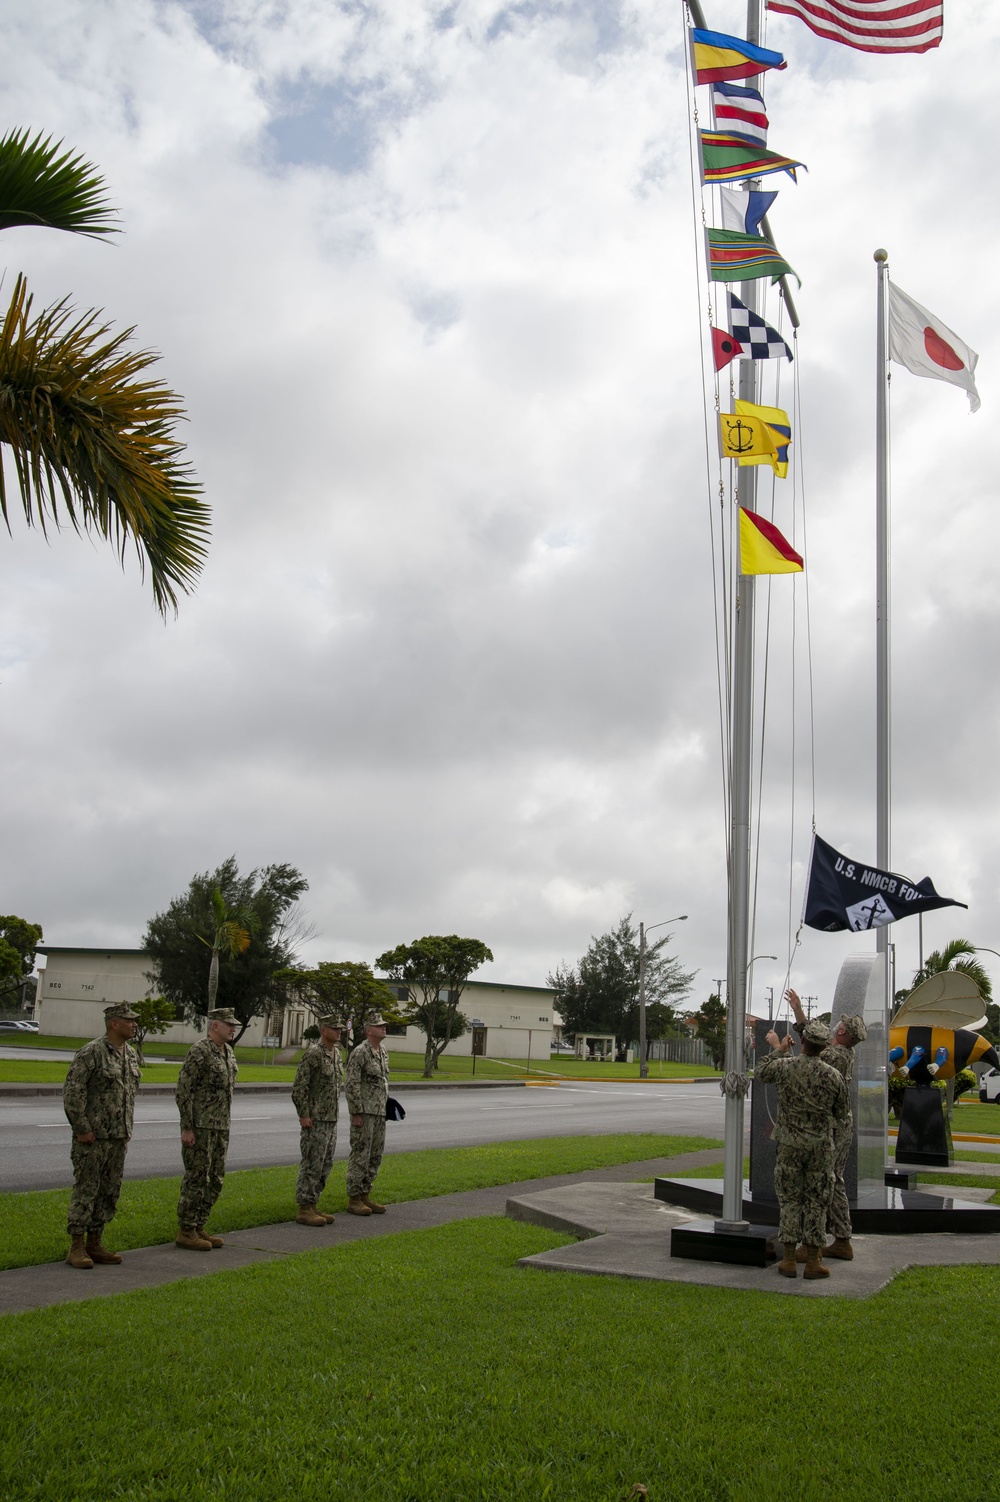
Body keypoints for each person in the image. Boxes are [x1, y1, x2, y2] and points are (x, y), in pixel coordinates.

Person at [756, 1018, 850, 1280]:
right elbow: (841, 1114)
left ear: (805, 1041)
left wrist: (780, 1048)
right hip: (820, 1148)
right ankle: (812, 1262)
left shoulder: (786, 1067)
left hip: (788, 1145)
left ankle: (788, 1259)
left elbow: (761, 1071)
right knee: (817, 1203)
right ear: (823, 1046)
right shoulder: (834, 1076)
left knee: (789, 1201)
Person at [786, 990, 868, 1260]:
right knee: (834, 1181)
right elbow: (810, 1036)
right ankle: (841, 1239)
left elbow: (810, 1046)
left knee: (822, 1183)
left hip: (832, 1128)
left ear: (843, 1033)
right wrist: (798, 1010)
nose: (836, 1026)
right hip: (839, 1125)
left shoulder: (836, 1056)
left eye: (840, 1025)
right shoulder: (839, 1053)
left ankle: (814, 1246)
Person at [62, 1001, 143, 1269]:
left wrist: (126, 1127)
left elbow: (128, 1094)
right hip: (93, 1137)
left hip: (118, 1136)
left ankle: (95, 1243)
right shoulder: (91, 1052)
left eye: (134, 1020)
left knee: (109, 1191)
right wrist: (82, 1128)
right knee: (87, 1189)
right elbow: (73, 1093)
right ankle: (76, 1247)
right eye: (129, 1020)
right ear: (113, 1023)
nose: (134, 1025)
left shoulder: (130, 1054)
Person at [174, 1006, 238, 1250]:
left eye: (234, 1025)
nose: (233, 1028)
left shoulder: (228, 1052)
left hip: (220, 1125)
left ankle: (200, 1225)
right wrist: (187, 1127)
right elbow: (183, 1090)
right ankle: (186, 1229)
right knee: (197, 1177)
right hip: (200, 1126)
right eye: (229, 1024)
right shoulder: (200, 1051)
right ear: (215, 1026)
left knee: (215, 1179)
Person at [292, 1013, 345, 1226]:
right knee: (312, 1162)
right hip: (315, 1119)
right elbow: (299, 1087)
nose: (338, 1031)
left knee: (325, 1163)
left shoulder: (337, 1054)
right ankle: (304, 1207)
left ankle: (313, 1203)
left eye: (340, 1028)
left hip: (330, 1118)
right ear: (323, 1031)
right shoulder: (314, 1053)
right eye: (334, 1028)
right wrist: (304, 1114)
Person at [344, 1013, 390, 1216]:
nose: (384, 1028)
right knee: (361, 1154)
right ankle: (354, 1198)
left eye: (384, 1025)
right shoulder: (360, 1052)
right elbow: (351, 1083)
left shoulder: (383, 1052)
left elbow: (382, 1081)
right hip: (364, 1112)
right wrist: (355, 1111)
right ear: (369, 1030)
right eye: (379, 1026)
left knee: (375, 1155)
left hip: (379, 1111)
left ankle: (365, 1194)